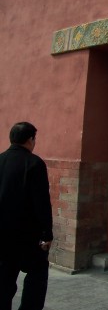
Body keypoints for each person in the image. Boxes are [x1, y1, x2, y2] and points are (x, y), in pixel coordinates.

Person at [0, 122, 53, 310]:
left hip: (2, 237)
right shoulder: (34, 163)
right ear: (30, 139)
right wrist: (47, 234)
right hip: (27, 236)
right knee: (37, 275)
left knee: (3, 281)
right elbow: (41, 202)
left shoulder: (1, 159)